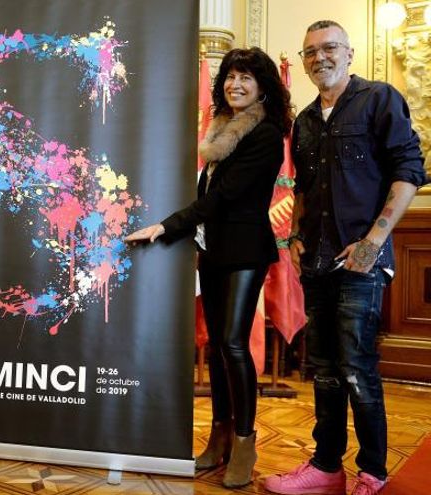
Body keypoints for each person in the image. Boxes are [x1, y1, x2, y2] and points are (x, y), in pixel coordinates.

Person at [264, 20, 426, 495]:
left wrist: (374, 241)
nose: (320, 58)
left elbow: (409, 172)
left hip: (362, 261)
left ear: (349, 53)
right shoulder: (307, 120)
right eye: (310, 51)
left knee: (357, 368)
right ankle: (326, 467)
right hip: (315, 261)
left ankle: (372, 472)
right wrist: (294, 235)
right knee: (326, 371)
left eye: (329, 47)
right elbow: (305, 188)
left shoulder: (380, 99)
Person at [125, 47, 292, 488]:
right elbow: (210, 194)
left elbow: (223, 198)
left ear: (262, 86)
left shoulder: (266, 133)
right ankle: (219, 435)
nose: (235, 85)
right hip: (214, 252)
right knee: (218, 346)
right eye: (230, 77)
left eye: (245, 78)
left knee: (235, 344)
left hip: (246, 253)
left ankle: (245, 441)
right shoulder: (221, 133)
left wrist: (165, 226)